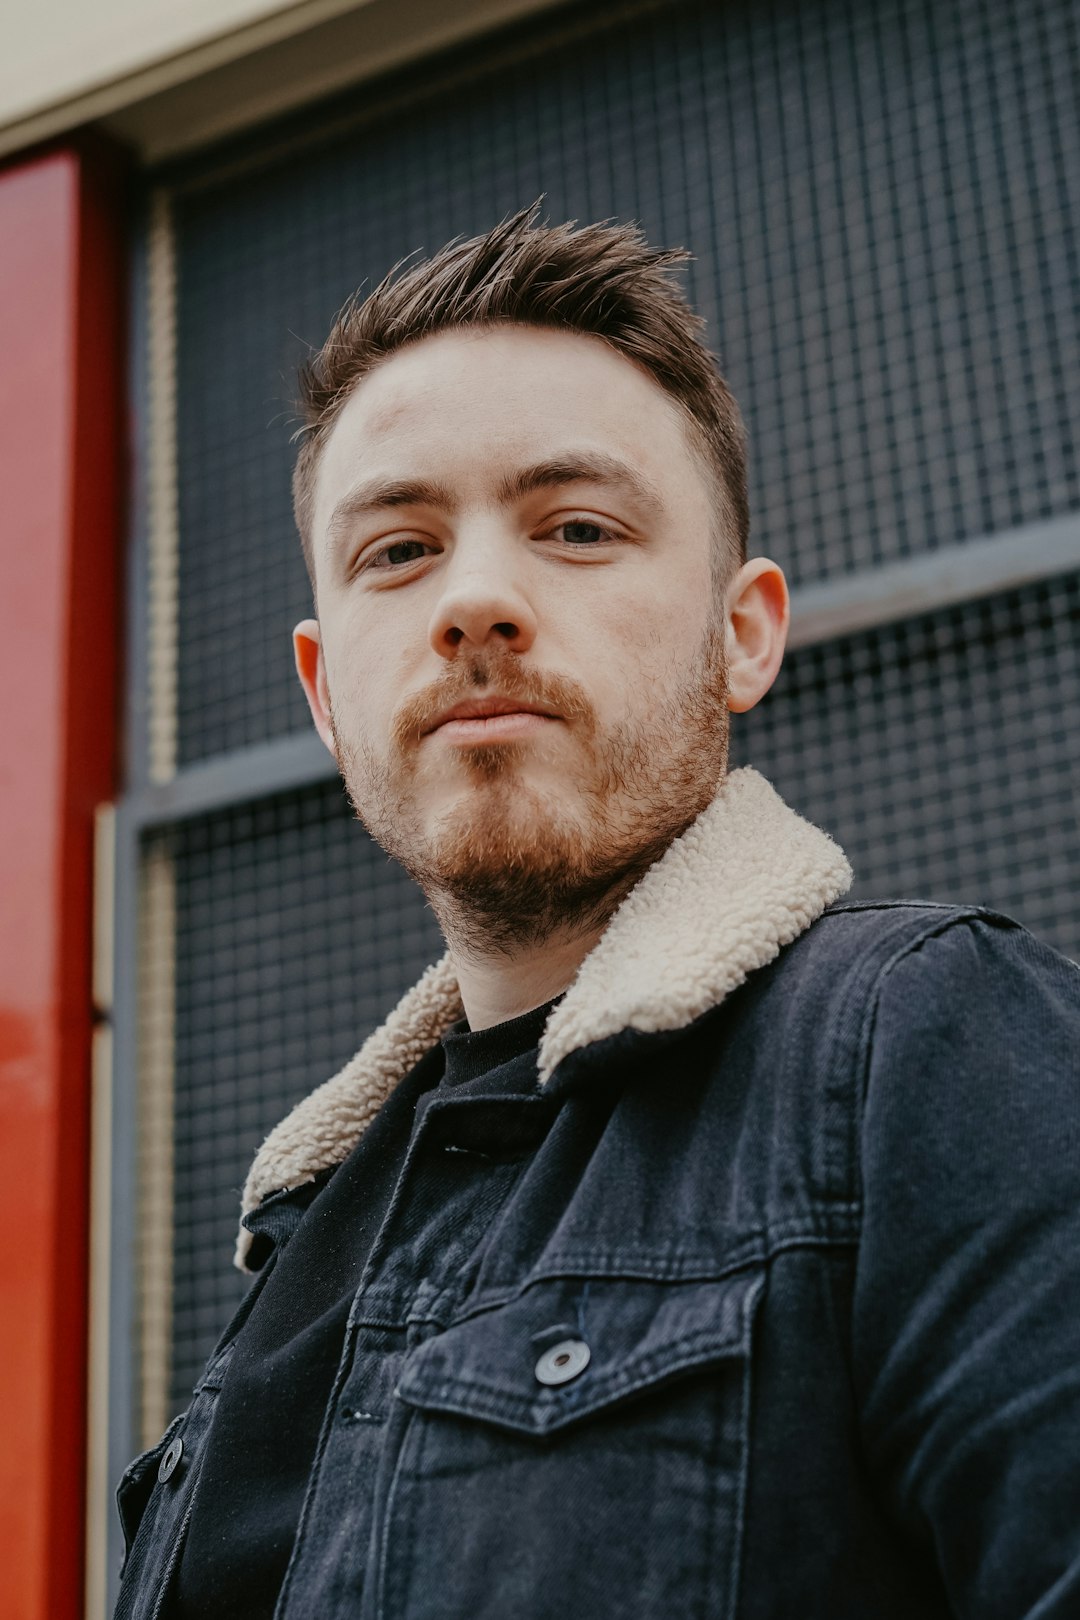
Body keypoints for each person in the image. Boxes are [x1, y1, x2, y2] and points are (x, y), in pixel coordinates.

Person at [114, 205, 1080, 1620]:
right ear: (326, 693)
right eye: (397, 550)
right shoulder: (303, 1234)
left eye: (577, 527)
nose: (479, 600)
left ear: (742, 633)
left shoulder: (924, 1047)